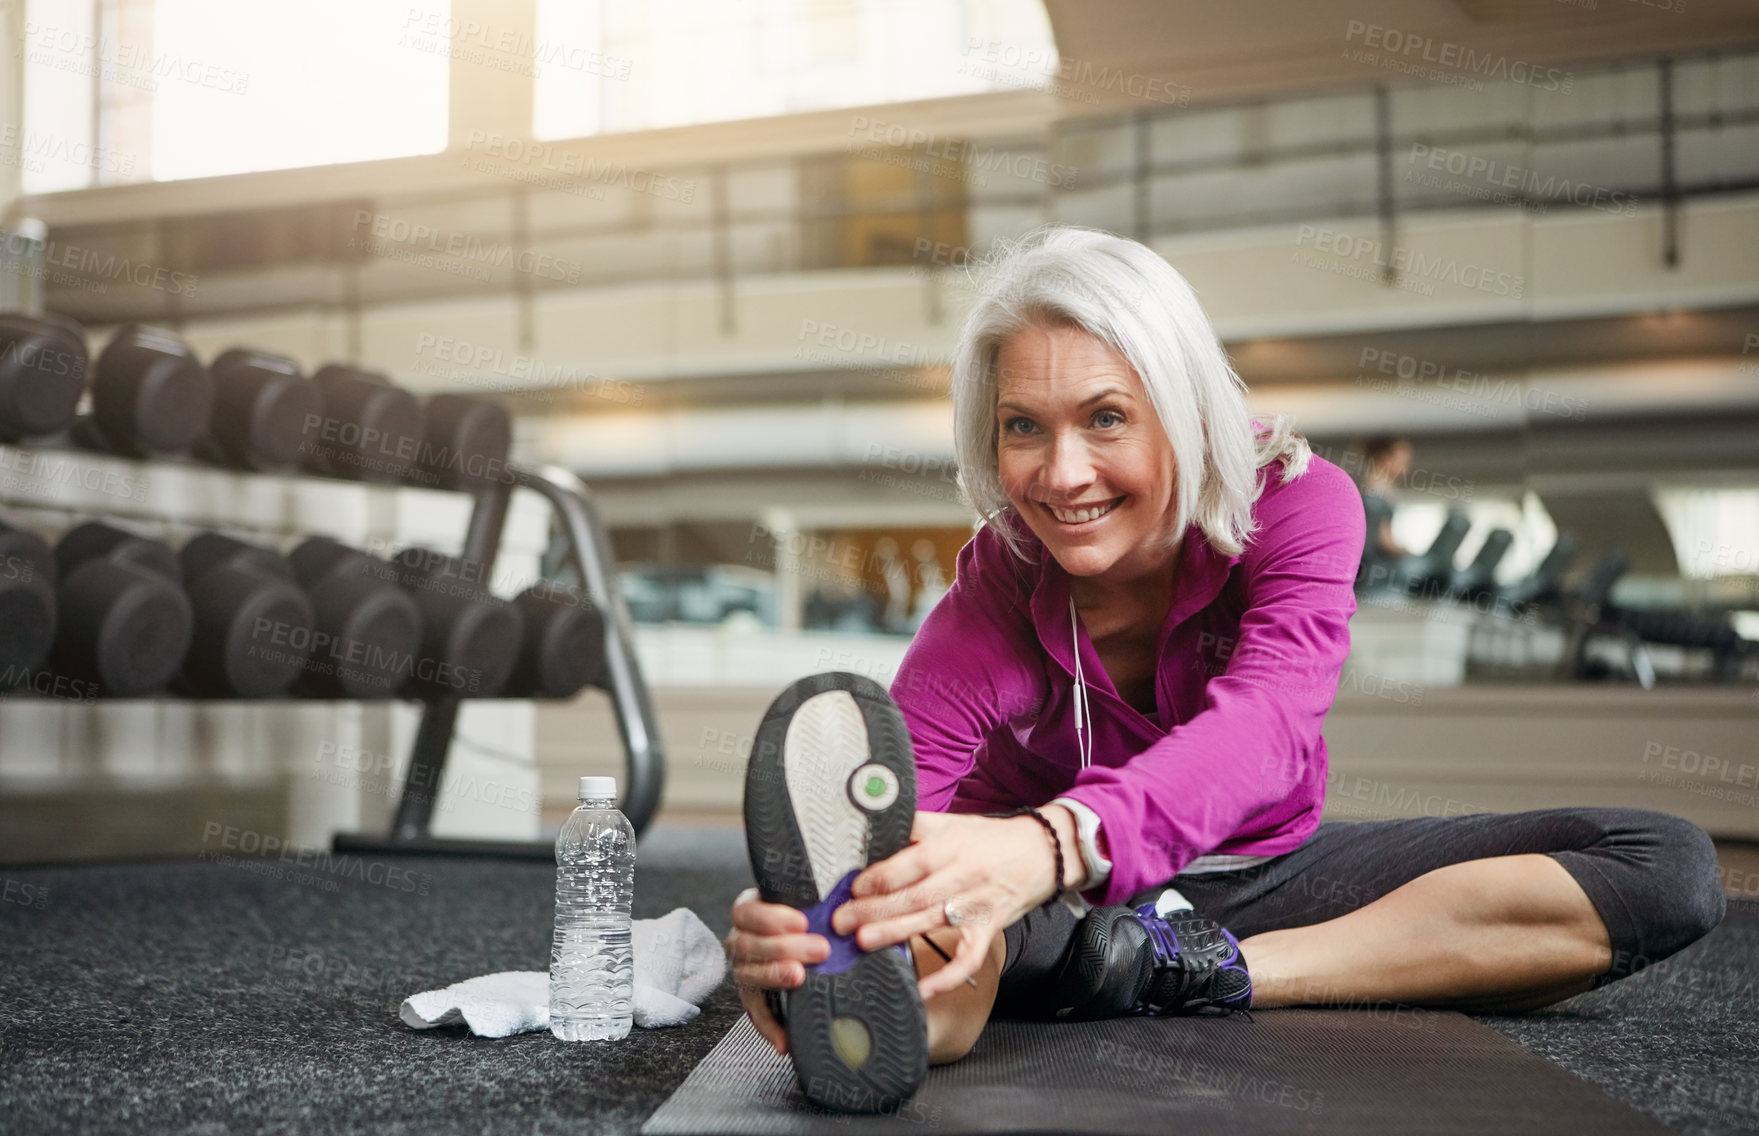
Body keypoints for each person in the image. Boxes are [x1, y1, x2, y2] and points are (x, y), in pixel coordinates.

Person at [725, 226, 1725, 1086]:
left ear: (1183, 404)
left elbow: (1266, 724)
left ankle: (1201, 966)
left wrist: (1061, 838)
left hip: (1259, 874)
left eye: (1105, 417)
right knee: (928, 938)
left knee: (1664, 867)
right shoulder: (1000, 580)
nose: (1059, 471)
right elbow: (899, 820)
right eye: (1022, 426)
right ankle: (935, 996)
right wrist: (799, 928)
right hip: (1053, 911)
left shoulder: (1297, 501)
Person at [1360, 434, 1414, 560]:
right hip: (1376, 560)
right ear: (1385, 458)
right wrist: (1407, 552)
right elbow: (1383, 540)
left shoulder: (1381, 489)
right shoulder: (1376, 491)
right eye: (1402, 460)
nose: (1407, 465)